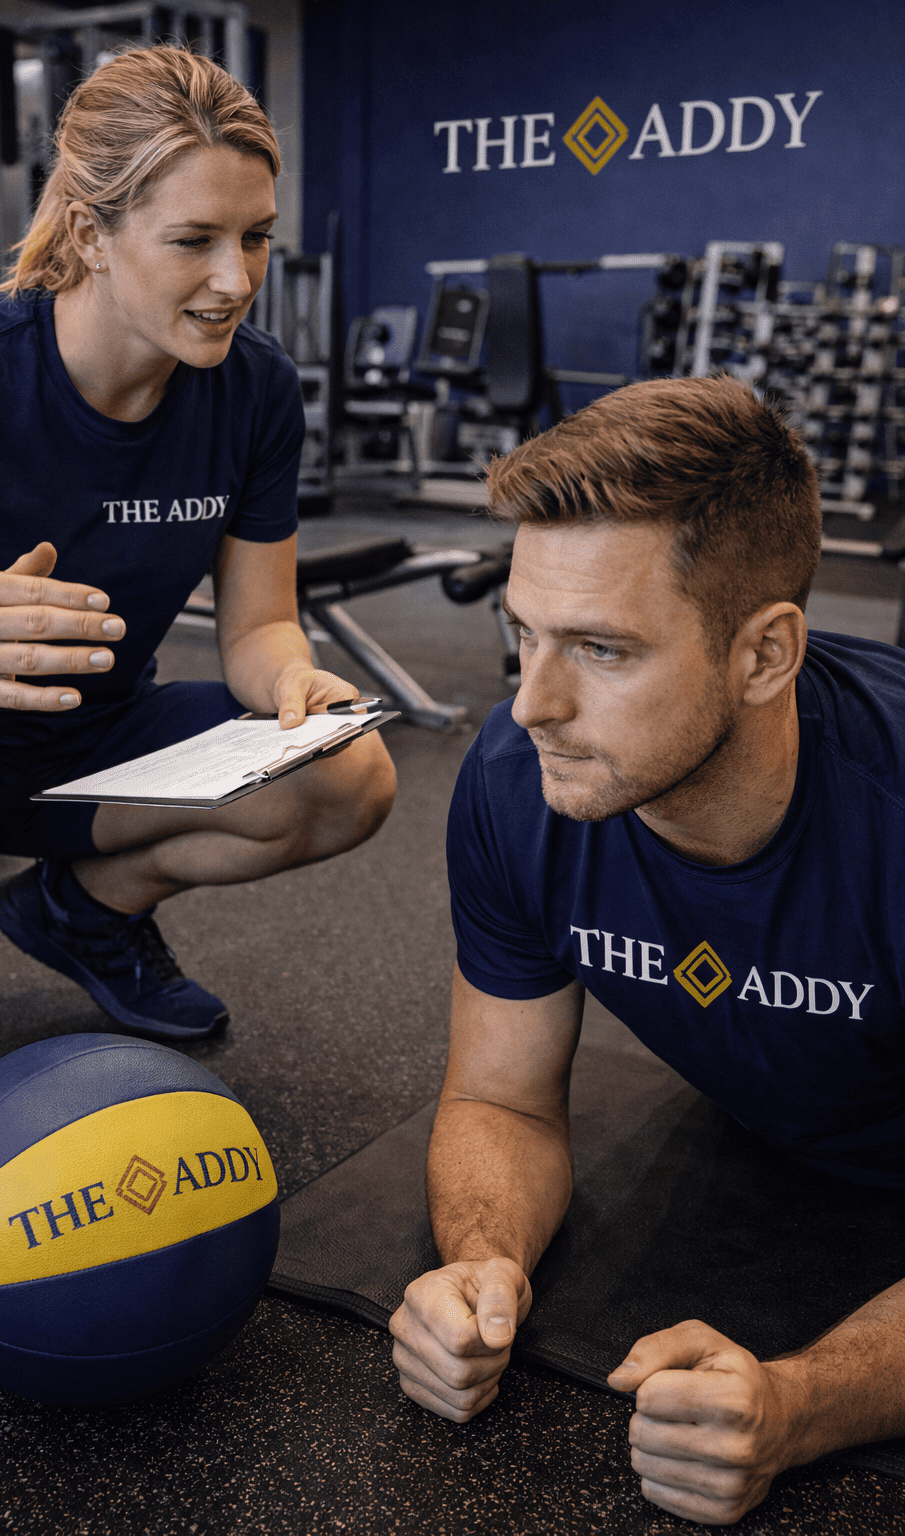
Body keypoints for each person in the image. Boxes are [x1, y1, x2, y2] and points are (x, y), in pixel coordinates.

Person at [0, 47, 395, 1213]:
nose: (237, 277)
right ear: (90, 228)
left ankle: (82, 909)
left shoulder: (254, 388)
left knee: (348, 776)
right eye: (194, 240)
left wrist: (297, 685)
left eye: (256, 236)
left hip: (99, 746)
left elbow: (260, 625)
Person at [389, 375, 905, 1526]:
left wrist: (801, 1403)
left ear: (764, 655)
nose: (532, 705)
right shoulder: (516, 784)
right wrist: (483, 1261)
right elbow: (501, 1100)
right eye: (521, 634)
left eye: (602, 650)